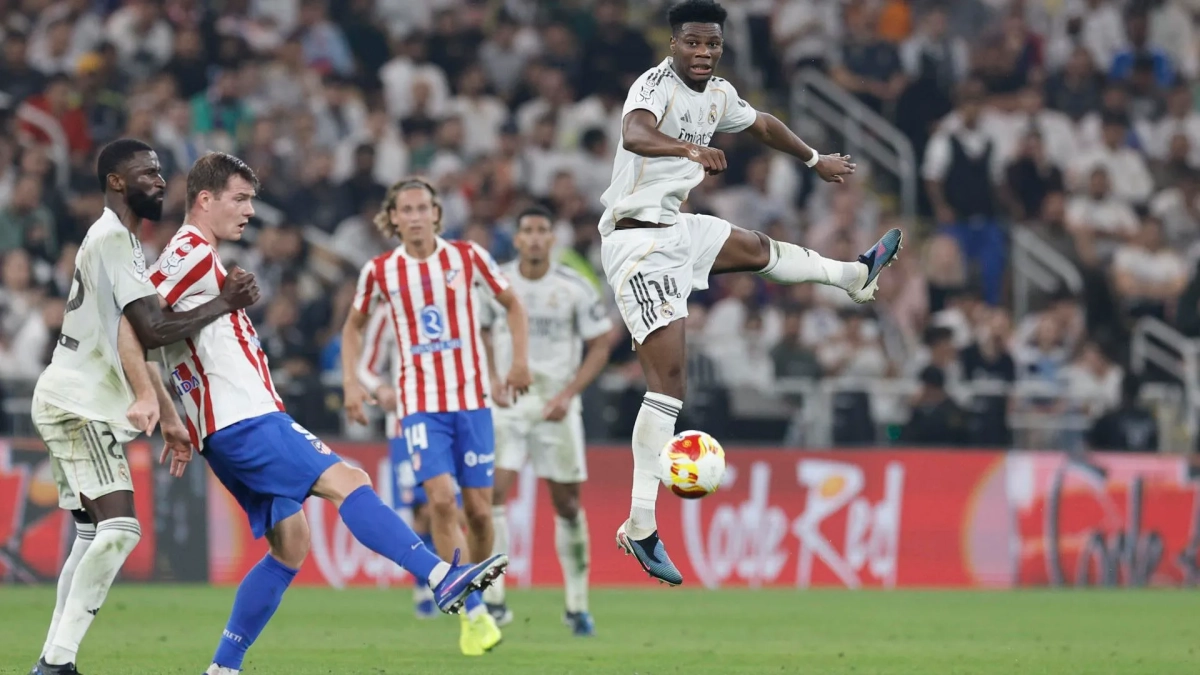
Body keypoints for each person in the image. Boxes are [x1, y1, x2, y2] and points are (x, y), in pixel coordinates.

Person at [147, 153, 507, 675]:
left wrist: (173, 416)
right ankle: (438, 575)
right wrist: (221, 310)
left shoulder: (203, 258)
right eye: (241, 198)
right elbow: (140, 325)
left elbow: (154, 335)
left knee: (291, 546)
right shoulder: (191, 252)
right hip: (242, 418)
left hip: (224, 425)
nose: (250, 210)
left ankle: (224, 667)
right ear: (205, 199)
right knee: (348, 479)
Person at [600, 0, 902, 585]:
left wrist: (813, 159)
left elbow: (761, 123)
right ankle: (640, 524)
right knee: (670, 385)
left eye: (711, 44)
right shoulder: (654, 86)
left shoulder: (718, 94)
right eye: (692, 42)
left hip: (675, 229)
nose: (703, 53)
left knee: (758, 249)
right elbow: (635, 133)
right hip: (638, 242)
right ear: (673, 44)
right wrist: (689, 149)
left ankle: (852, 276)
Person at [30, 138, 260, 675]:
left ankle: (52, 658)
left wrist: (171, 419)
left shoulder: (120, 242)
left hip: (71, 396)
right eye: (147, 172)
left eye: (160, 171)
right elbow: (152, 330)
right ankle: (57, 663)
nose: (160, 180)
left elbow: (134, 337)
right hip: (77, 402)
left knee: (91, 534)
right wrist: (225, 302)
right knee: (121, 530)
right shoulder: (113, 238)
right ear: (116, 181)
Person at [341, 178, 532, 657]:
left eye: (424, 207)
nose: (416, 216)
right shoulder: (381, 271)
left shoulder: (467, 257)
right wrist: (352, 383)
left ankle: (478, 590)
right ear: (394, 218)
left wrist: (518, 363)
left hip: (471, 401)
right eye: (406, 209)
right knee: (442, 502)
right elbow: (353, 327)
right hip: (419, 406)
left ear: (436, 213)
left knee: (481, 512)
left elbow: (512, 304)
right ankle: (472, 613)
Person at [479, 206, 615, 636]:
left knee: (568, 504)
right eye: (528, 231)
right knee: (493, 495)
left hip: (555, 405)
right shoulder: (497, 281)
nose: (535, 238)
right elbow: (480, 330)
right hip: (506, 404)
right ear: (517, 239)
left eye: (542, 231)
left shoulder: (574, 286)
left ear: (552, 238)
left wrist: (569, 393)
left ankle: (577, 605)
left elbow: (601, 343)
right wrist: (493, 380)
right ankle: (496, 599)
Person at [355, 303, 441, 618]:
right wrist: (380, 388)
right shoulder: (388, 313)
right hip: (405, 423)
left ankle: (448, 582)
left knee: (446, 505)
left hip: (448, 418)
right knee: (423, 508)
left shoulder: (453, 302)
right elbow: (366, 366)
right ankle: (425, 586)